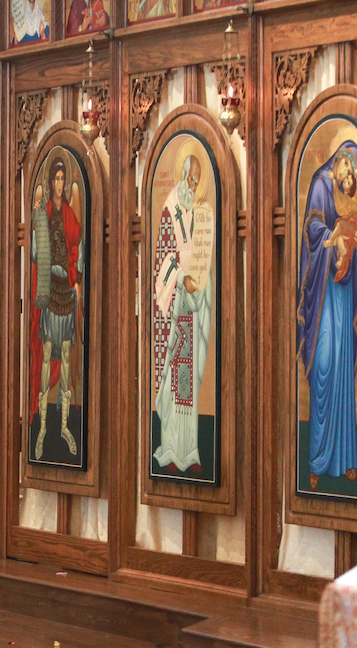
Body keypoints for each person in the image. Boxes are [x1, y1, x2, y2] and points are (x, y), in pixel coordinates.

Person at [296, 139, 357, 491]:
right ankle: (316, 459)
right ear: (340, 160)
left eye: (353, 176)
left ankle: (345, 460)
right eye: (347, 171)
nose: (348, 179)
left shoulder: (347, 196)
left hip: (342, 295)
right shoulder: (320, 183)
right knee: (324, 365)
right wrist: (335, 239)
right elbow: (312, 230)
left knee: (342, 368)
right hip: (323, 291)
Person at [151, 145, 215, 474]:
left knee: (189, 386)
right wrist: (180, 279)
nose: (194, 187)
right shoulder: (170, 209)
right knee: (175, 383)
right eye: (191, 180)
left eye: (198, 182)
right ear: (183, 176)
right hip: (175, 309)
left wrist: (200, 278)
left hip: (192, 309)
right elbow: (162, 260)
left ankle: (188, 450)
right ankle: (171, 448)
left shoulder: (195, 212)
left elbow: (199, 254)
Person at [29, 157, 83, 459]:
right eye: (56, 179)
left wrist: (76, 275)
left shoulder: (71, 215)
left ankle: (64, 427)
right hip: (50, 294)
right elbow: (35, 254)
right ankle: (42, 429)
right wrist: (37, 224)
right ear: (51, 182)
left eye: (63, 179)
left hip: (67, 294)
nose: (59, 184)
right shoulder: (45, 212)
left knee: (65, 356)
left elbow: (79, 249)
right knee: (47, 355)